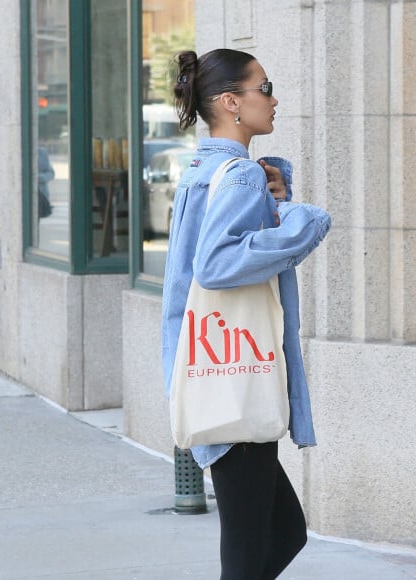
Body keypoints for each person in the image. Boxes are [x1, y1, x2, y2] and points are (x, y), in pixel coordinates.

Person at [161, 48, 331, 579]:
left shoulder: (203, 169)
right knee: (249, 544)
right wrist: (302, 220)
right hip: (235, 374)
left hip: (214, 365)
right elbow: (217, 264)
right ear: (231, 102)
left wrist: (274, 205)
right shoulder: (238, 176)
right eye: (265, 87)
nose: (274, 99)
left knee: (282, 532)